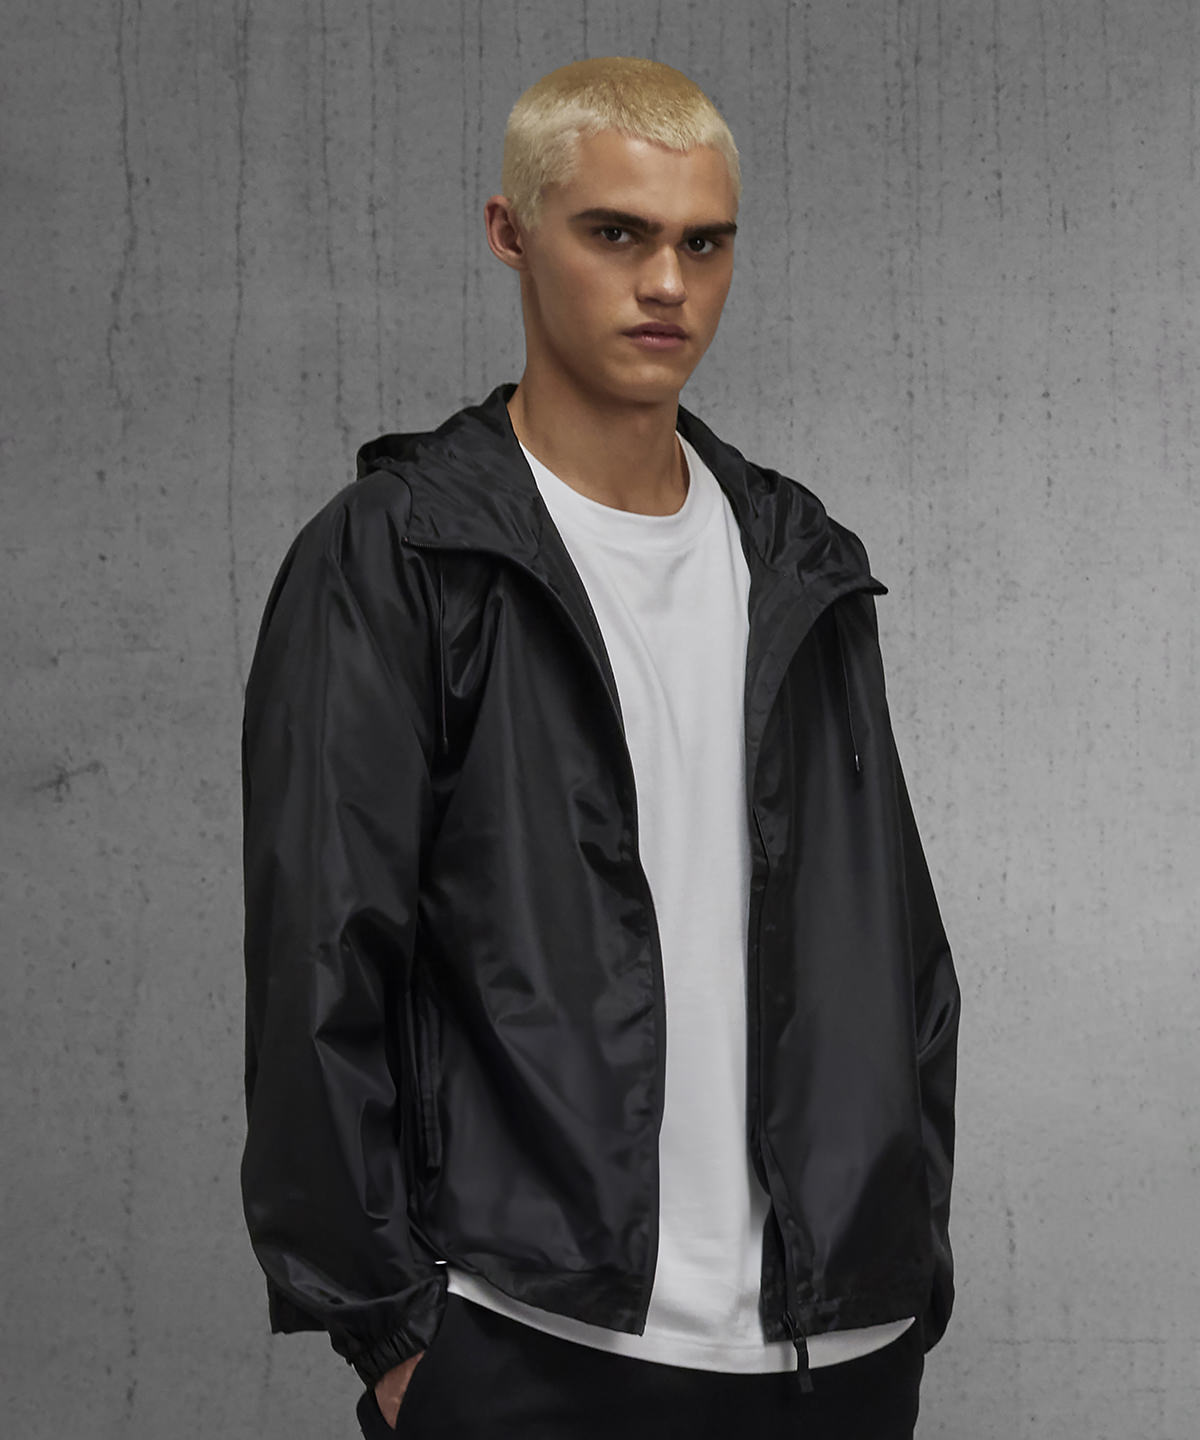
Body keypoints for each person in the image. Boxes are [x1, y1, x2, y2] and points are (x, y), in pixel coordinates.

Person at [240, 55, 960, 1440]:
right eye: (618, 233)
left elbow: (902, 950)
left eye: (705, 242)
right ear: (511, 232)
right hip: (533, 1340)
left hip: (835, 1350)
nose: (667, 284)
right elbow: (321, 951)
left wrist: (904, 1252)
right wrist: (392, 1325)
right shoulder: (403, 554)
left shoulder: (799, 558)